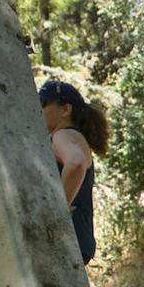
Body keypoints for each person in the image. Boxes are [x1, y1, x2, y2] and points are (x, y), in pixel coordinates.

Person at [38, 79, 109, 265]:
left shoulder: (62, 135)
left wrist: (56, 212)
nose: (37, 109)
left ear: (65, 110)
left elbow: (76, 163)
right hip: (78, 240)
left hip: (65, 239)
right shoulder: (76, 137)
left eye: (43, 103)